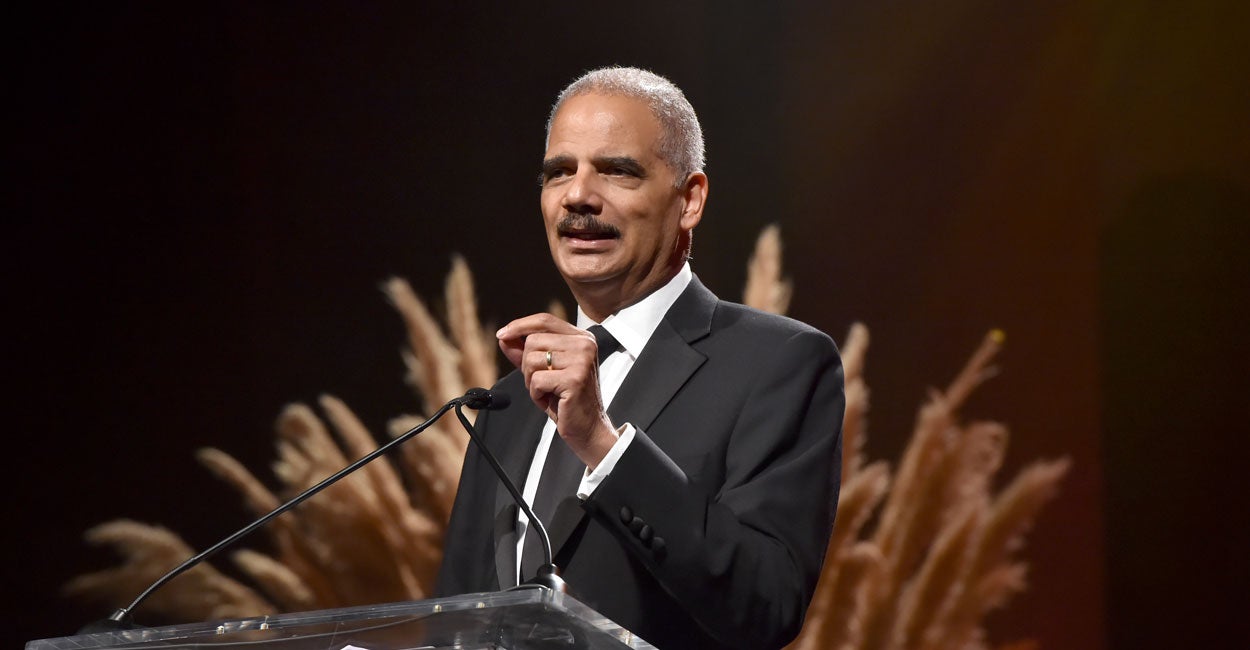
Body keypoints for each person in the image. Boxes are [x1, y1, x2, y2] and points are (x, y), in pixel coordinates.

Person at [436, 67, 844, 650]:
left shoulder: (780, 364)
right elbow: (457, 613)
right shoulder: (509, 401)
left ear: (690, 200)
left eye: (617, 170)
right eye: (559, 172)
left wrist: (601, 444)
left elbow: (766, 605)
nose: (578, 195)